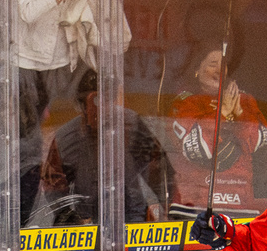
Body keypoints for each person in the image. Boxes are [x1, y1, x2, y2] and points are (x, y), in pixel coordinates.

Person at [38, 69, 169, 225]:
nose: (102, 107)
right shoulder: (66, 138)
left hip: (133, 218)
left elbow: (159, 170)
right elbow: (53, 185)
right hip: (87, 223)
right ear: (81, 106)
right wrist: (70, 217)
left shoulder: (131, 125)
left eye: (108, 99)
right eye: (95, 100)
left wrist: (169, 208)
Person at [169, 42, 267, 219]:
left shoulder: (245, 100)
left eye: (223, 65)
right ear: (197, 70)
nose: (219, 70)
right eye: (212, 64)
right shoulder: (185, 102)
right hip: (193, 205)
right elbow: (199, 150)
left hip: (240, 203)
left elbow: (257, 143)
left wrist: (240, 113)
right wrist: (222, 112)